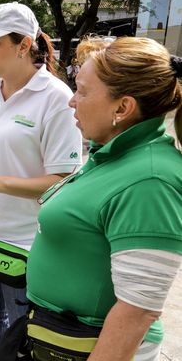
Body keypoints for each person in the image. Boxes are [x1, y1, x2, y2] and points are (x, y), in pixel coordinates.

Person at [25, 37, 182, 361]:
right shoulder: (115, 154)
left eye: (82, 91)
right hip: (62, 337)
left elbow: (137, 312)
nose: (71, 101)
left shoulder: (151, 180)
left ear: (122, 108)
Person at [0, 2, 82, 361]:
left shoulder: (56, 99)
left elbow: (64, 178)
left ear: (23, 44)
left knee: (22, 326)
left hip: (21, 242)